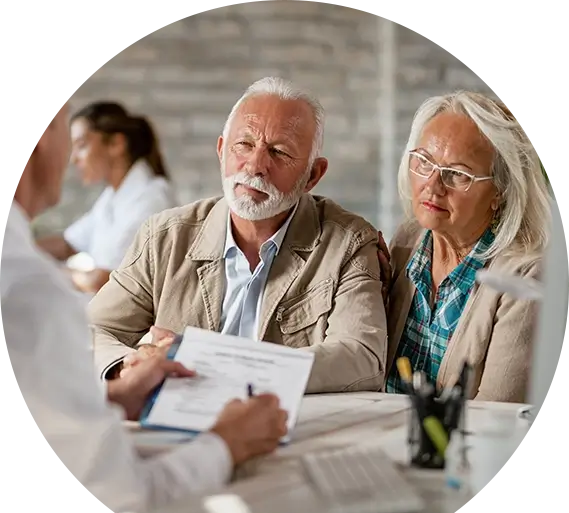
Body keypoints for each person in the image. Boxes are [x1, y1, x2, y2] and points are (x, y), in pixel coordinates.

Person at [1, 102, 288, 513]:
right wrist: (228, 443)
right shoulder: (30, 292)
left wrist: (113, 397)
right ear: (41, 138)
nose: (256, 165)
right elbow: (120, 495)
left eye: (278, 152)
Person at [88, 77, 388, 403]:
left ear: (313, 175)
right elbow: (92, 331)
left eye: (279, 151)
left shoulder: (348, 242)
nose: (256, 166)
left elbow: (362, 358)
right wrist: (130, 366)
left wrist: (213, 362)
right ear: (221, 151)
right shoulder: (164, 236)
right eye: (243, 145)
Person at [385, 91, 551, 403]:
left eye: (458, 174)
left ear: (500, 191)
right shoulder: (407, 241)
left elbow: (496, 415)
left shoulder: (525, 276)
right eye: (424, 161)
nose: (433, 186)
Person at [36, 101, 178, 293]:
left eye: (81, 145)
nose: (74, 158)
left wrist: (44, 269)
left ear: (116, 144)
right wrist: (16, 246)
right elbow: (67, 244)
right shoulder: (112, 197)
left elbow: (101, 281)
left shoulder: (151, 199)